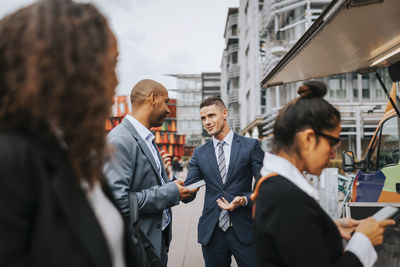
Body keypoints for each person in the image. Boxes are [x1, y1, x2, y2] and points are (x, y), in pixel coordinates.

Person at [0, 0, 139, 266]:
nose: (116, 80)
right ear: (69, 68)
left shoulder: (73, 151)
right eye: (111, 63)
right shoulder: (10, 159)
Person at [252, 81, 395, 267]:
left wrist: (328, 228)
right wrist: (363, 241)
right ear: (308, 138)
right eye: (333, 142)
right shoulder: (286, 199)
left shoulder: (275, 187)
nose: (334, 153)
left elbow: (294, 239)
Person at [103, 79, 198, 267]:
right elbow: (118, 201)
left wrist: (176, 187)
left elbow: (154, 184)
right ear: (153, 98)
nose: (169, 110)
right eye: (167, 102)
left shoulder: (148, 138)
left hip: (156, 243)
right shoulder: (118, 141)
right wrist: (171, 192)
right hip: (138, 249)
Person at [183, 97, 264, 267]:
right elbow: (188, 193)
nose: (207, 122)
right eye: (203, 118)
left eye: (211, 115)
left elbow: (265, 185)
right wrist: (171, 181)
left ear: (225, 113)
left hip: (244, 228)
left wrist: (243, 200)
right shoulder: (199, 153)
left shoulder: (250, 146)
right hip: (213, 232)